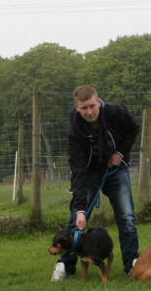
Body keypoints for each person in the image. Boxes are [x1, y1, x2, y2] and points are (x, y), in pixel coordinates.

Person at [52, 85, 141, 280]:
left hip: (116, 169)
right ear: (77, 107)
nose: (89, 111)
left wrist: (120, 153)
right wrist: (82, 208)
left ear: (98, 101)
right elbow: (78, 170)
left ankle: (132, 263)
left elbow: (133, 128)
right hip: (90, 173)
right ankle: (65, 265)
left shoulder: (116, 111)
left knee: (126, 217)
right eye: (84, 108)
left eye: (92, 106)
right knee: (76, 219)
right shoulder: (74, 131)